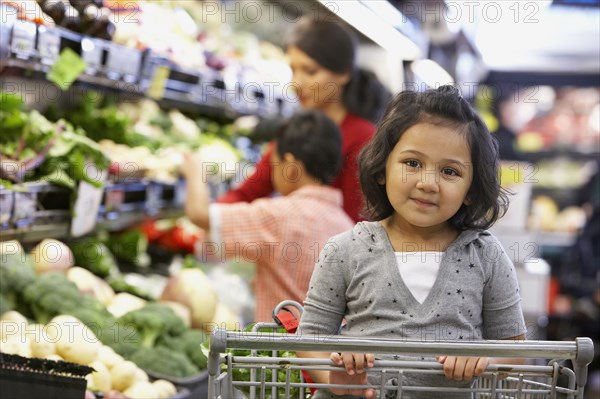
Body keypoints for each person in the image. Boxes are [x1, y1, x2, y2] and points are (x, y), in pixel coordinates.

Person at [297, 86, 527, 399]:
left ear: (471, 189)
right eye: (412, 163)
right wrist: (332, 375)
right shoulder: (344, 250)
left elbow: (514, 350)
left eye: (449, 171)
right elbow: (310, 338)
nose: (427, 183)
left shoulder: (486, 255)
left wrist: (483, 360)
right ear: (382, 168)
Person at [181, 110, 354, 322]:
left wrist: (195, 173)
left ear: (290, 167)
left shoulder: (277, 216)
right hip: (327, 350)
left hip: (280, 348)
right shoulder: (349, 228)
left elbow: (200, 215)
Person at [217, 17, 390, 222]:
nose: (296, 83)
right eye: (293, 70)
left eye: (310, 71)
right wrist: (210, 217)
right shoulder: (297, 130)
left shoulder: (363, 139)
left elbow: (356, 223)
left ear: (344, 73)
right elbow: (249, 192)